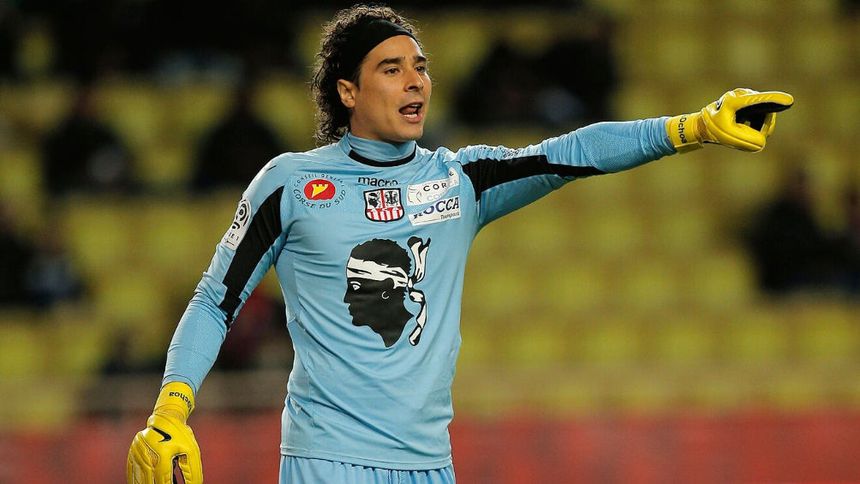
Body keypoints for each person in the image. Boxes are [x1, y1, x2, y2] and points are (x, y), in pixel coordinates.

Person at [127, 5, 794, 483]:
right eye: (392, 69)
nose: (416, 81)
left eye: (420, 67)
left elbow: (569, 153)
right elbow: (215, 301)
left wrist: (692, 127)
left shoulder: (460, 179)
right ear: (347, 90)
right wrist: (171, 411)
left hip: (430, 466)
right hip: (329, 461)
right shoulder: (291, 184)